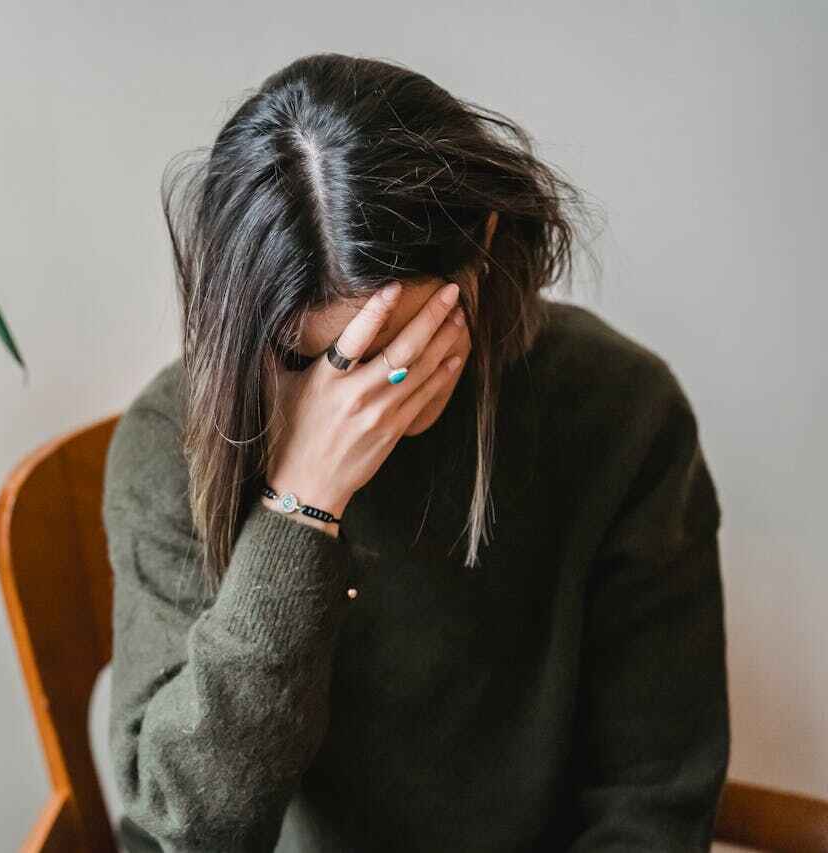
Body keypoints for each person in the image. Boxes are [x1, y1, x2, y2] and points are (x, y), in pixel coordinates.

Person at [103, 53, 727, 852]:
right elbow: (182, 832)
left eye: (395, 347)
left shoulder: (622, 413)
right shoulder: (172, 444)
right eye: (308, 358)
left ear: (484, 248)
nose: (360, 397)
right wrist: (301, 509)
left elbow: (655, 800)